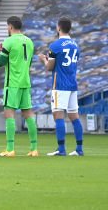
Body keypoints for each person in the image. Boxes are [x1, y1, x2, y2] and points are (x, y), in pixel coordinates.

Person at [0, 16, 38, 157]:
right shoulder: (30, 41)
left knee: (9, 113)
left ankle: (10, 149)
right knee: (28, 114)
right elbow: (29, 62)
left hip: (12, 82)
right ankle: (34, 148)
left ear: (11, 26)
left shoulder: (9, 41)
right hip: (25, 81)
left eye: (7, 26)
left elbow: (1, 62)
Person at [41, 17, 83, 156]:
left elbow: (49, 67)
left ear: (58, 27)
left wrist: (43, 60)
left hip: (60, 85)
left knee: (58, 116)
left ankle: (61, 149)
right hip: (72, 84)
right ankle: (79, 149)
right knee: (74, 116)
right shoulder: (76, 45)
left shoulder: (55, 46)